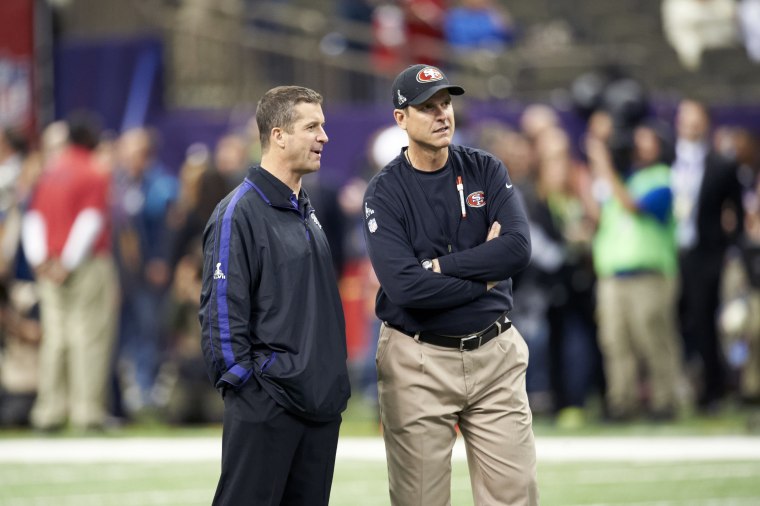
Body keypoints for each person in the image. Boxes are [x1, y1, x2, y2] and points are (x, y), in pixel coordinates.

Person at [362, 64, 538, 506]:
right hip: (418, 357)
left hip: (495, 355)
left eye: (446, 103)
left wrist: (441, 267)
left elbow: (517, 249)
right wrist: (485, 280)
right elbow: (406, 289)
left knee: (515, 497)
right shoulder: (384, 191)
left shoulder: (484, 168)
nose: (442, 115)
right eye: (427, 107)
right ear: (401, 118)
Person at [199, 86, 350, 506]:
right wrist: (247, 386)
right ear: (278, 135)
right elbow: (221, 311)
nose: (324, 137)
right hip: (268, 404)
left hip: (318, 406)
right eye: (312, 127)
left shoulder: (305, 206)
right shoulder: (239, 211)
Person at [21, 112, 118, 432]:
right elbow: (90, 220)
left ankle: (49, 411)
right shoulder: (94, 170)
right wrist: (68, 261)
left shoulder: (50, 171)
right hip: (84, 263)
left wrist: (41, 261)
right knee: (88, 336)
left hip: (48, 264)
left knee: (55, 338)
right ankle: (85, 411)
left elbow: (33, 218)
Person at [587, 121, 683, 421]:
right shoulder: (620, 180)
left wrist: (603, 166)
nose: (638, 145)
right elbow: (598, 215)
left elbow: (633, 205)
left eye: (646, 139)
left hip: (649, 274)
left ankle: (666, 401)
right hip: (613, 275)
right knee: (615, 342)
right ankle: (621, 403)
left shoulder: (662, 178)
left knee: (654, 339)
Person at [671, 99, 743, 412]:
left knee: (704, 320)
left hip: (704, 253)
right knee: (670, 321)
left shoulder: (722, 164)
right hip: (667, 251)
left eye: (694, 117)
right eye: (683, 116)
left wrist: (728, 249)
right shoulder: (665, 159)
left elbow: (737, 212)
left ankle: (711, 391)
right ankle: (675, 388)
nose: (688, 123)